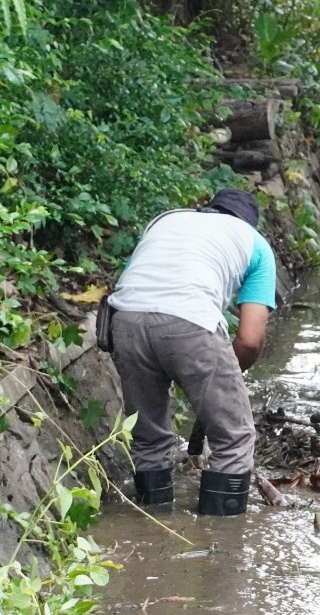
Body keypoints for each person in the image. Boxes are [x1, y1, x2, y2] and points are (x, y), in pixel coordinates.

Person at [106, 189, 276, 515]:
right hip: (191, 320)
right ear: (250, 223)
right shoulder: (254, 243)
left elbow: (132, 281)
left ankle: (151, 524)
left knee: (148, 437)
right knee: (234, 439)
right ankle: (220, 543)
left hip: (125, 320)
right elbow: (250, 340)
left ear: (209, 208)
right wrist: (223, 379)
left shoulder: (166, 221)